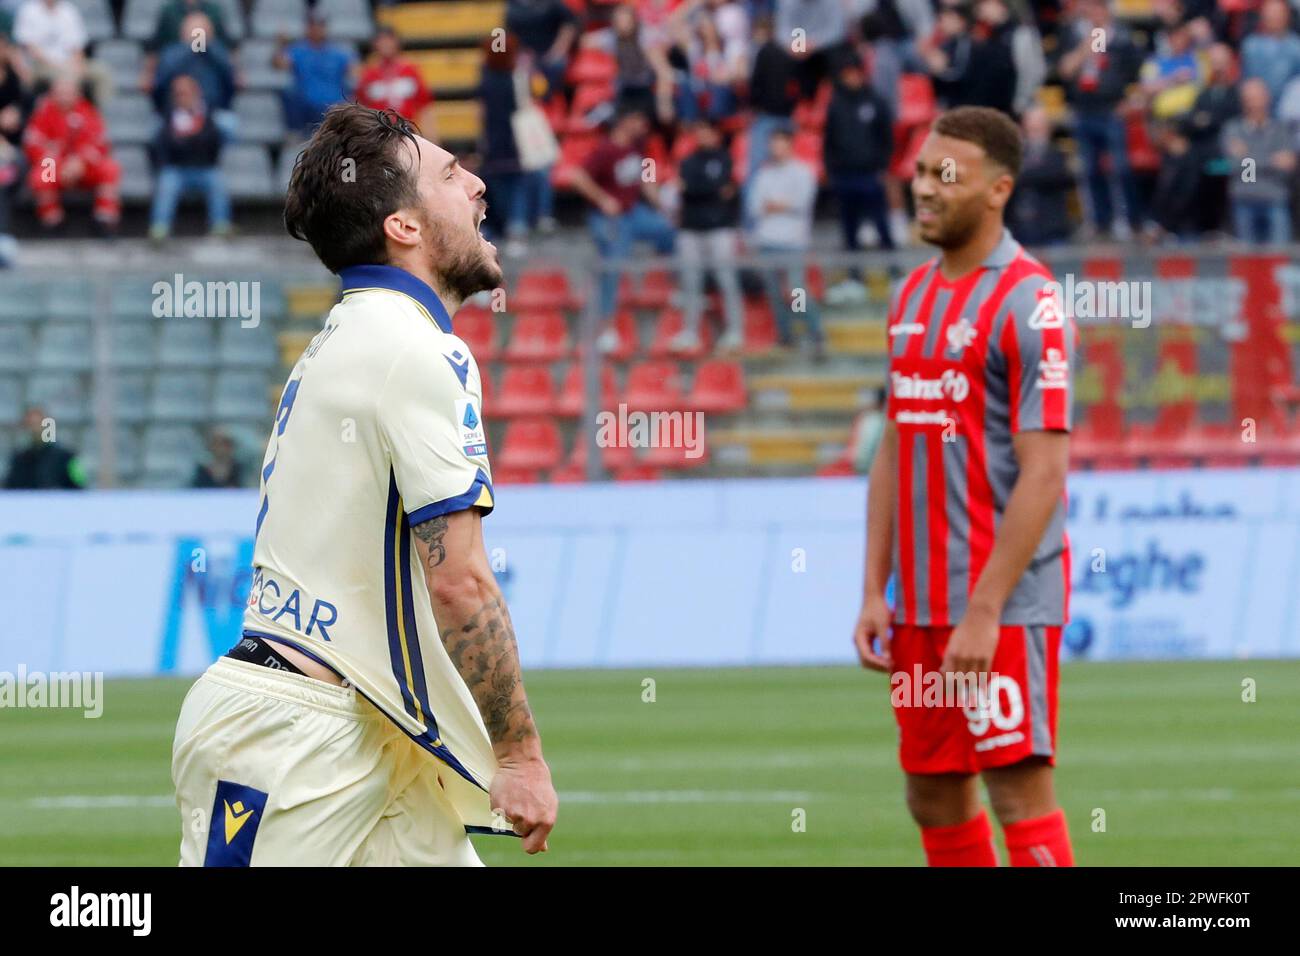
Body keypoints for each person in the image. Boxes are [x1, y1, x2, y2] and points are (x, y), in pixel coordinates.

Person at [172, 103, 557, 866]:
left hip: (374, 727)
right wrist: (517, 755)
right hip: (293, 741)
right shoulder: (413, 350)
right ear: (403, 228)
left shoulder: (351, 335)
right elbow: (461, 583)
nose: (479, 183)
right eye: (451, 174)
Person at [852, 106, 1078, 868]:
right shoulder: (910, 295)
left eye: (944, 175)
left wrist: (984, 613)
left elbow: (1044, 472)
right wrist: (873, 588)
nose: (922, 187)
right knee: (934, 794)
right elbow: (895, 447)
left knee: (1017, 792)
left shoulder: (1029, 301)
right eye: (918, 171)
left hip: (1000, 603)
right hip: (916, 605)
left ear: (998, 190)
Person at [568, 108, 676, 348]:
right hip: (609, 218)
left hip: (634, 211)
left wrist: (662, 206)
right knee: (613, 264)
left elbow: (645, 180)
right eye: (640, 121)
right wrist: (603, 200)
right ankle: (607, 328)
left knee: (669, 231)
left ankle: (674, 284)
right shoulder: (606, 149)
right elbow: (577, 177)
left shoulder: (638, 147)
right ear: (626, 120)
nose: (644, 127)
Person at [1056, 0, 1144, 239]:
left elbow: (1139, 74)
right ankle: (1099, 221)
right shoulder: (1074, 35)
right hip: (1083, 109)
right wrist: (1086, 49)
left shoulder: (1123, 39)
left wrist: (1130, 102)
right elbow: (1064, 70)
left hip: (1112, 110)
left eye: (1099, 7)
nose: (1094, 12)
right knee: (1090, 169)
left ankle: (1126, 219)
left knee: (1120, 168)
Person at [822, 56, 894, 305]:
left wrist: (882, 165)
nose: (852, 79)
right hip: (845, 175)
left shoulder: (875, 101)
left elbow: (886, 135)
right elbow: (828, 140)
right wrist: (832, 169)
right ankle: (855, 278)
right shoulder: (836, 104)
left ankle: (894, 274)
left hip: (869, 174)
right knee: (849, 229)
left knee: (881, 225)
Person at [746, 127, 823, 358]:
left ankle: (814, 332)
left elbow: (801, 203)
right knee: (773, 292)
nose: (776, 149)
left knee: (796, 289)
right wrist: (781, 206)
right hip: (767, 240)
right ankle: (786, 335)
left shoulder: (803, 172)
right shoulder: (763, 175)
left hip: (793, 241)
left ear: (790, 145)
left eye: (781, 143)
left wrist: (774, 206)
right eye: (773, 144)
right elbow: (755, 207)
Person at [672, 118, 744, 353]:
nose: (702, 137)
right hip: (691, 228)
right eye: (698, 132)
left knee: (726, 279)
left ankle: (735, 330)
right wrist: (708, 190)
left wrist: (696, 189)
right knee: (691, 282)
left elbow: (721, 188)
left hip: (720, 227)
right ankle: (690, 331)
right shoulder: (688, 161)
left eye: (706, 131)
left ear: (716, 134)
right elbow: (687, 190)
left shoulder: (725, 159)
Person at [22, 72, 120, 234]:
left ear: (77, 94)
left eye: (68, 93)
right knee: (42, 176)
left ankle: (104, 221)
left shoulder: (88, 111)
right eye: (60, 93)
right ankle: (53, 222)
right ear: (52, 94)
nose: (64, 97)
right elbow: (32, 143)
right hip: (56, 166)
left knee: (110, 169)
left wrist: (80, 161)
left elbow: (101, 143)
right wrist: (60, 163)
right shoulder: (43, 113)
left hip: (83, 167)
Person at [149, 73, 231, 241]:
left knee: (217, 182)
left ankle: (220, 225)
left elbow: (213, 143)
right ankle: (160, 227)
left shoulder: (209, 114)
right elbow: (163, 146)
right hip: (176, 168)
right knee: (167, 184)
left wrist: (189, 136)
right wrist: (188, 139)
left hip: (204, 167)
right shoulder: (168, 116)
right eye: (178, 94)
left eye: (185, 93)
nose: (182, 97)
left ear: (196, 93)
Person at [1222, 79, 1295, 244]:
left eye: (1258, 98)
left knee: (1279, 257)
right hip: (1243, 198)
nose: (1254, 104)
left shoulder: (1281, 129)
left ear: (1267, 98)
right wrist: (1271, 160)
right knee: (1245, 260)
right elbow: (1232, 165)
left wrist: (1249, 157)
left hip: (1275, 198)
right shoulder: (1232, 129)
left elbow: (1288, 166)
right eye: (1249, 99)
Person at [276, 10, 357, 135]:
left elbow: (355, 71)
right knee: (288, 95)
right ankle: (295, 132)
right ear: (307, 28)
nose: (316, 29)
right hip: (307, 107)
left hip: (334, 106)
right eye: (313, 25)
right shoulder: (298, 50)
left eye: (320, 25)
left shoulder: (338, 52)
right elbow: (279, 64)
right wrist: (282, 45)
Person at [1007, 106, 1075, 245]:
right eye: (1031, 127)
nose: (1035, 132)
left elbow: (1060, 177)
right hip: (1022, 229)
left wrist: (1023, 175)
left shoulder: (1058, 154)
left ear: (1048, 128)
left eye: (1039, 127)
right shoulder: (1016, 155)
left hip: (1052, 228)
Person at [355, 26, 431, 122]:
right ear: (375, 44)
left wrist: (430, 136)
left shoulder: (411, 70)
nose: (386, 44)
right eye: (381, 41)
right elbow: (361, 107)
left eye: (389, 40)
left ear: (397, 42)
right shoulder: (368, 74)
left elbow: (425, 107)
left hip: (407, 129)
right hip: (378, 132)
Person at [4, 406, 86, 489]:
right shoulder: (19, 459)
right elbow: (10, 488)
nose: (35, 429)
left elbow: (79, 486)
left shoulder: (67, 458)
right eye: (31, 424)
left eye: (38, 424)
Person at [1240, 0, 1300, 113]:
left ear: (1286, 15)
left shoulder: (1296, 48)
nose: (1273, 17)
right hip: (1256, 109)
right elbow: (1246, 80)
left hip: (1288, 108)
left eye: (1277, 13)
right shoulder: (1250, 45)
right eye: (1269, 14)